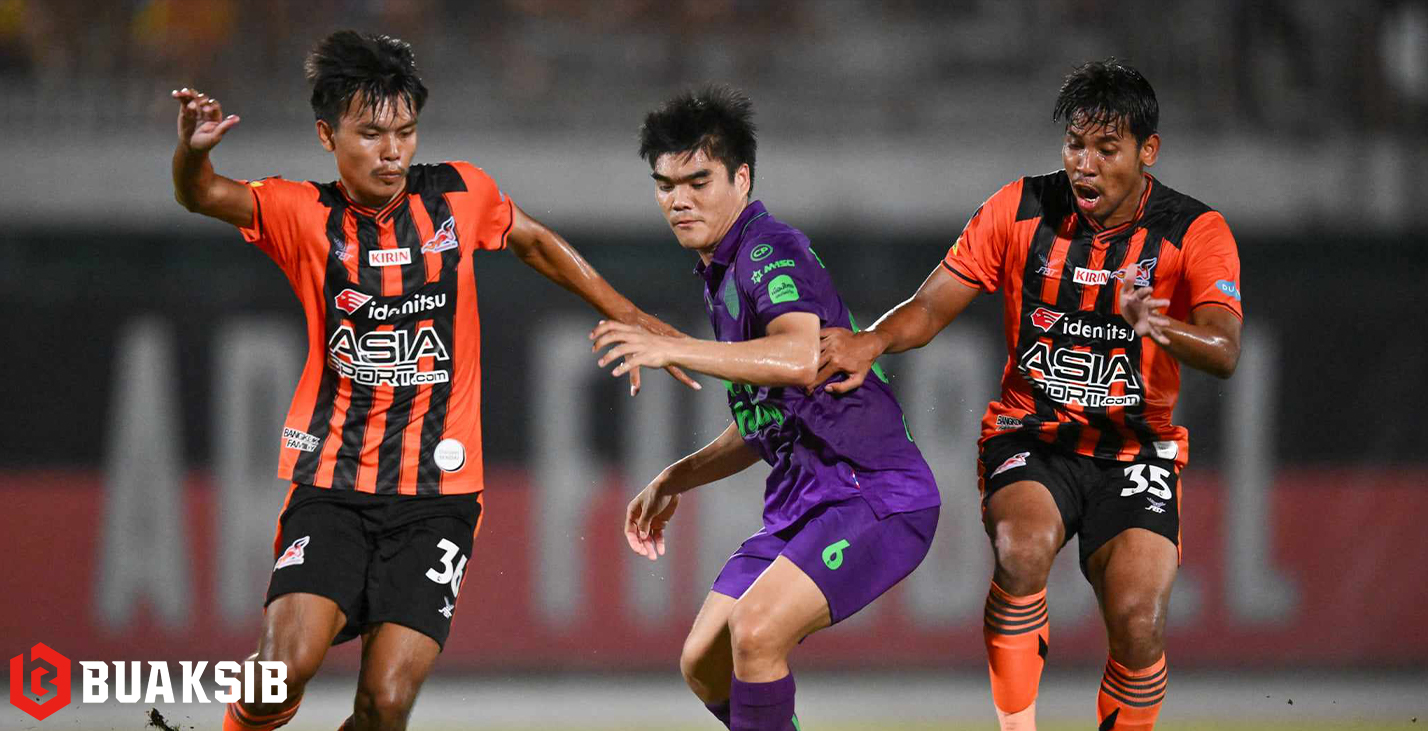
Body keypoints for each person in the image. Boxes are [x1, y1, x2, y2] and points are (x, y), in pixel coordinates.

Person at [170, 30, 696, 731]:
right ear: (327, 136)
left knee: (385, 704)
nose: (392, 151)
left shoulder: (459, 194)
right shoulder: (301, 212)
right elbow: (202, 194)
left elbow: (534, 240)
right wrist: (193, 151)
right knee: (278, 672)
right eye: (371, 134)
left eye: (406, 131)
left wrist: (629, 314)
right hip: (332, 487)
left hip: (439, 500)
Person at [817, 58, 1244, 731]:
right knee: (1022, 549)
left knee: (1139, 622)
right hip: (1032, 435)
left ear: (1148, 151)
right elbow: (930, 306)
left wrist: (1157, 324)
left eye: (1107, 149)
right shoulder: (1019, 207)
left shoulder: (1195, 230)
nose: (1085, 166)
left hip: (1137, 452)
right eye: (1075, 145)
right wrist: (871, 341)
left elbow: (1224, 350)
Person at [589, 85, 941, 731]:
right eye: (665, 185)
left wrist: (670, 345)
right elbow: (765, 420)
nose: (679, 200)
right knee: (706, 662)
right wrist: (675, 477)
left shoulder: (766, 249)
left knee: (755, 631)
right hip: (803, 505)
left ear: (742, 178)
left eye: (698, 181)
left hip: (873, 495)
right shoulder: (721, 270)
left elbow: (799, 356)